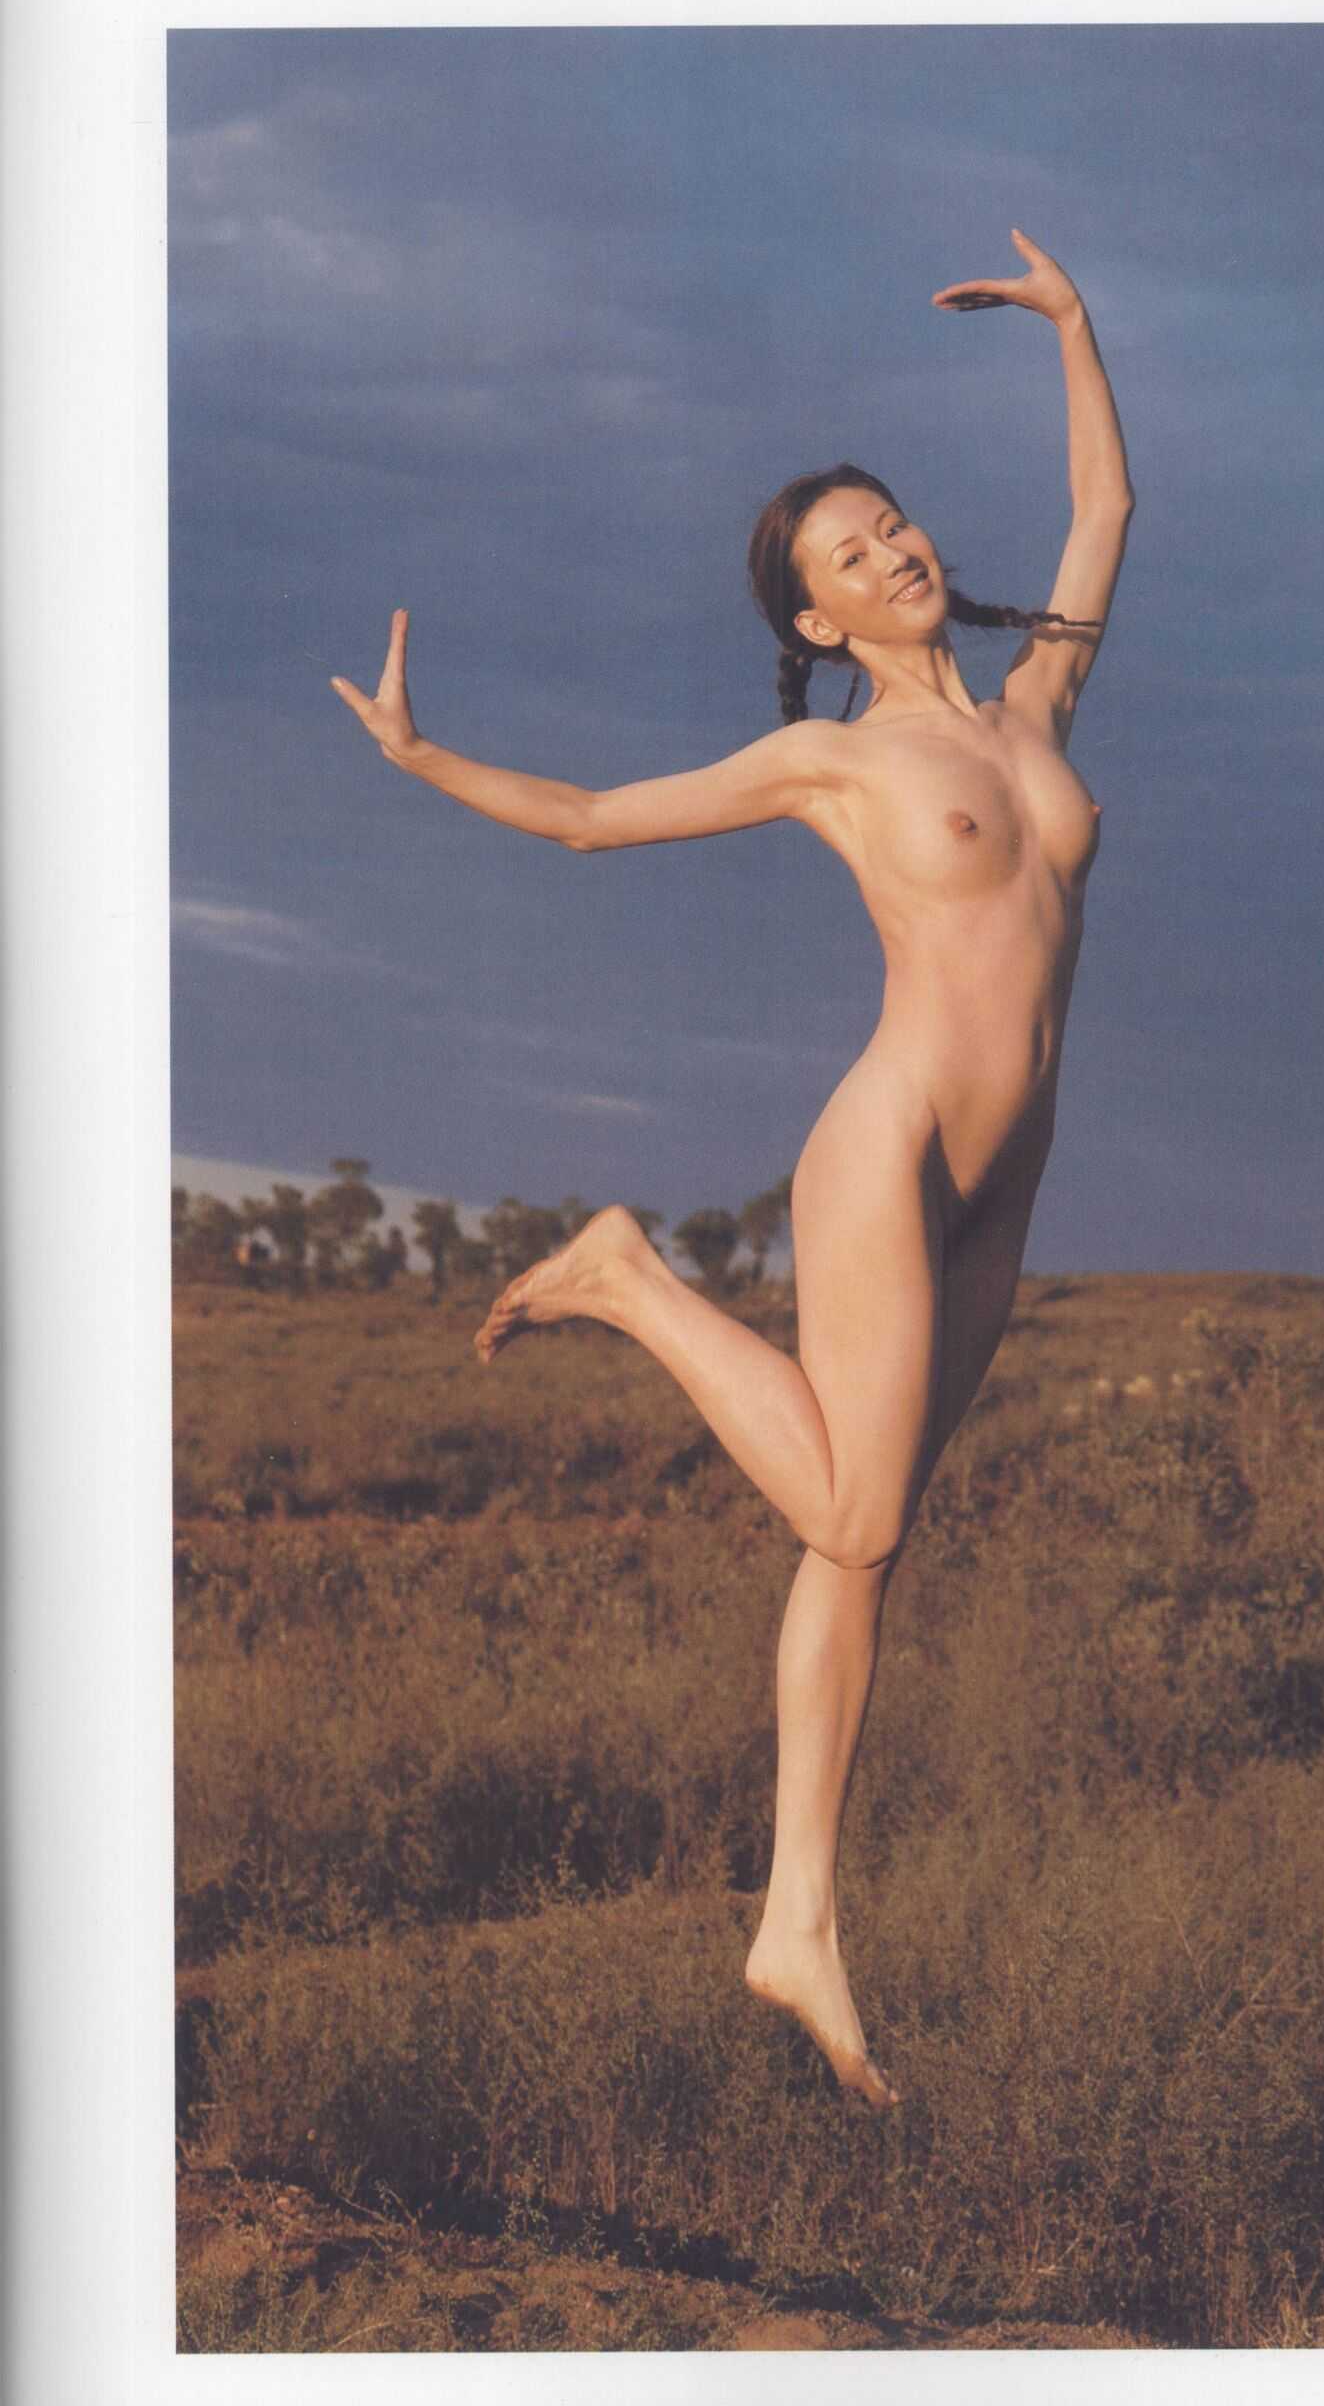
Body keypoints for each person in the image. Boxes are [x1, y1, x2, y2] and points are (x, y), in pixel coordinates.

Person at [331, 229, 1132, 2109]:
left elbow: (1105, 508)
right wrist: (426, 759)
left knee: (865, 1538)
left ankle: (797, 1920)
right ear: (821, 623)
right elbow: (597, 820)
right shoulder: (826, 765)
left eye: (893, 522)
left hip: (1009, 1175)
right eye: (850, 555)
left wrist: (1075, 328)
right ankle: (627, 1279)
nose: (893, 551)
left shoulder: (1038, 706)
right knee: (854, 1514)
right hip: (891, 1143)